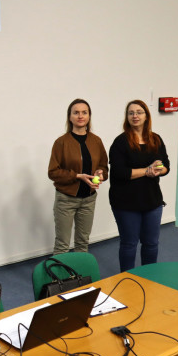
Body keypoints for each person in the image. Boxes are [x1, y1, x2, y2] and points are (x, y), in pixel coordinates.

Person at [109, 100, 170, 272]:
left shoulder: (156, 139)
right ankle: (127, 280)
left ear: (146, 116)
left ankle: (148, 277)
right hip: (126, 203)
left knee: (151, 243)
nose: (135, 116)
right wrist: (147, 170)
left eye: (139, 112)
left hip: (152, 201)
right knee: (129, 244)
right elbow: (120, 172)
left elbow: (166, 166)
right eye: (131, 113)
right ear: (127, 117)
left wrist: (159, 169)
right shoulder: (120, 142)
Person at [48, 99, 108, 254]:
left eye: (84, 112)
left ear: (89, 116)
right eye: (76, 113)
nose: (80, 116)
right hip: (66, 200)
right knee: (62, 245)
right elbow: (53, 172)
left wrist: (100, 173)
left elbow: (104, 167)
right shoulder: (61, 142)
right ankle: (60, 271)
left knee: (82, 243)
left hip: (89, 199)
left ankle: (79, 270)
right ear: (70, 117)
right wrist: (77, 176)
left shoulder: (96, 141)